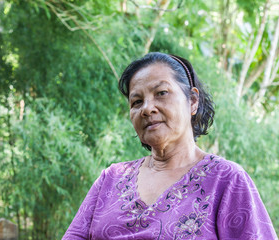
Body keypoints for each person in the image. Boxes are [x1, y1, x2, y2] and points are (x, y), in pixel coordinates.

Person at [63, 52, 278, 239]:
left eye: (161, 93)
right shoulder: (111, 179)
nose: (147, 109)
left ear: (192, 101)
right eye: (136, 102)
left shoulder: (227, 180)